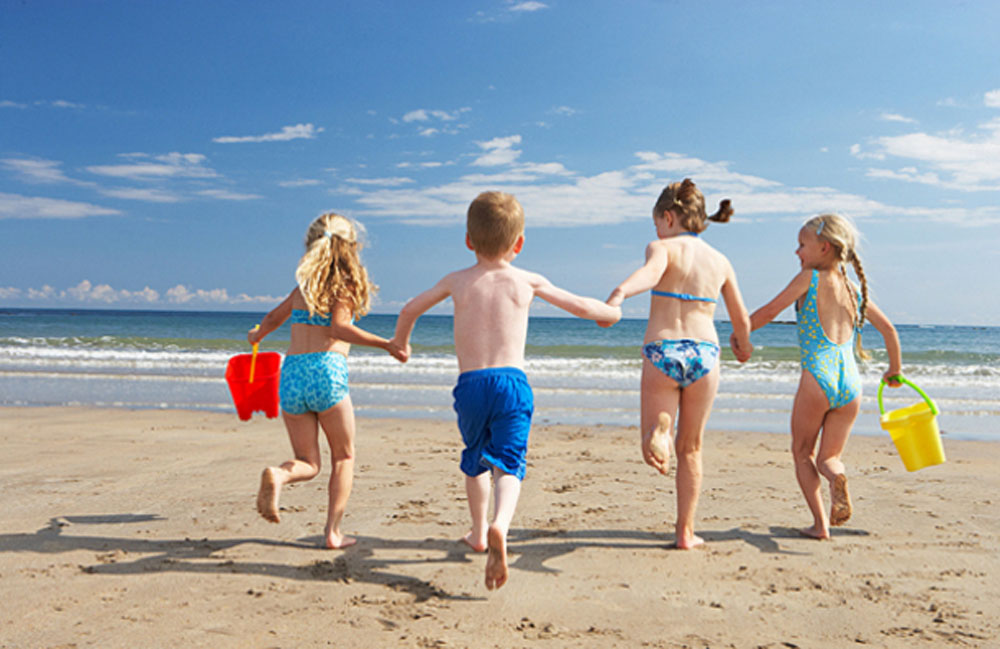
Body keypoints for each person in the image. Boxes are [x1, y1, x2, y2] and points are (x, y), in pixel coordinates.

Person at [391, 191, 621, 590]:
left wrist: (401, 343)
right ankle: (501, 524)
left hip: (471, 386)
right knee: (510, 462)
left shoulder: (457, 281)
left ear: (468, 240)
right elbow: (583, 307)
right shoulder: (527, 279)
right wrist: (611, 313)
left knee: (476, 457)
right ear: (519, 244)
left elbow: (410, 307)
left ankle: (479, 533)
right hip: (512, 384)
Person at [606, 178, 751, 550]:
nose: (656, 231)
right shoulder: (720, 261)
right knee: (692, 448)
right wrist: (743, 343)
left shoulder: (662, 247)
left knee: (650, 440)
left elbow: (650, 275)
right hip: (705, 354)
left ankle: (658, 430)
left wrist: (621, 292)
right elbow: (741, 318)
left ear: (668, 218)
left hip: (662, 350)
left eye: (657, 223)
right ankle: (685, 533)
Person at [250, 212, 406, 549]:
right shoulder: (344, 285)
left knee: (308, 462)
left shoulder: (301, 287)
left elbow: (274, 318)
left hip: (291, 373)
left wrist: (258, 333)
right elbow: (339, 328)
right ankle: (333, 532)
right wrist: (386, 343)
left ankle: (280, 474)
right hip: (326, 371)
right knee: (343, 457)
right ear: (351, 248)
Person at [745, 213, 902, 540]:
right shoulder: (852, 288)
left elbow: (770, 312)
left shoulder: (809, 279)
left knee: (803, 453)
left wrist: (738, 333)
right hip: (851, 386)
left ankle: (820, 524)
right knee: (830, 458)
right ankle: (837, 477)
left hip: (818, 378)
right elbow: (889, 330)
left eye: (802, 245)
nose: (797, 252)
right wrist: (894, 370)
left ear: (824, 248)